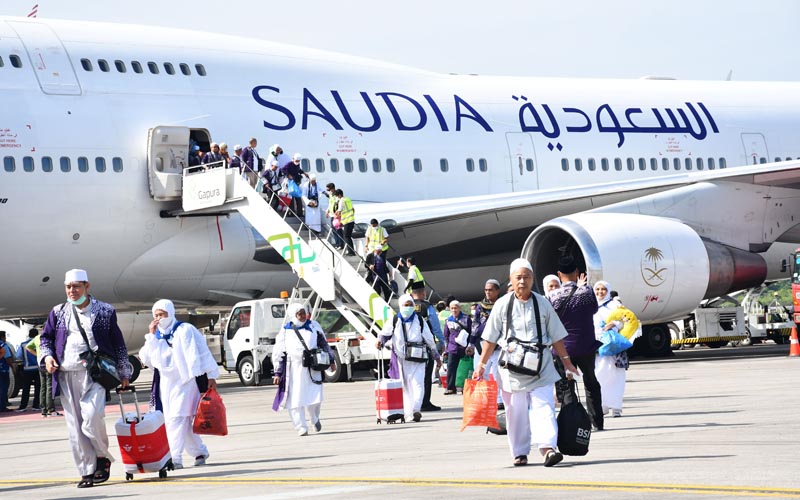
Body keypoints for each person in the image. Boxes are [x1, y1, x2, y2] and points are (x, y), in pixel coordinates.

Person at [474, 258, 576, 467]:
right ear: (511, 279)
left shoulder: (543, 302)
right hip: (511, 370)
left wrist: (567, 363)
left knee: (544, 406)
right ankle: (520, 452)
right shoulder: (502, 304)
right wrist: (481, 365)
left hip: (541, 366)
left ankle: (548, 448)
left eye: (526, 277)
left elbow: (556, 336)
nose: (522, 281)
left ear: (533, 279)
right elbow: (490, 339)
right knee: (516, 411)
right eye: (518, 277)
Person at [40, 269, 130, 488]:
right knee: (76, 427)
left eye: (76, 286)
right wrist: (48, 357)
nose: (72, 291)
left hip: (95, 374)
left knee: (92, 418)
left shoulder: (105, 311)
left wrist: (124, 372)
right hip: (66, 374)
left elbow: (117, 343)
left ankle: (102, 456)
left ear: (87, 286)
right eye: (68, 287)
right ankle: (87, 471)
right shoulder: (58, 311)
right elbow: (46, 339)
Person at [138, 299, 219, 469]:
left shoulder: (185, 330)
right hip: (166, 384)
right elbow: (146, 357)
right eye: (157, 315)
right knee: (178, 419)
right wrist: (151, 336)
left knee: (177, 418)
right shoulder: (156, 335)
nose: (160, 318)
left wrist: (211, 375)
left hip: (185, 381)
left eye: (163, 314)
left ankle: (174, 458)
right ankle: (200, 452)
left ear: (171, 313)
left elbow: (203, 352)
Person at [550, 256, 604, 431]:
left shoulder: (552, 296)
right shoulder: (587, 292)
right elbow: (594, 309)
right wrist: (582, 287)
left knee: (566, 386)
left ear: (559, 274)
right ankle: (596, 422)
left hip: (562, 348)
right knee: (590, 382)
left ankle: (571, 421)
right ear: (576, 273)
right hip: (585, 346)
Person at [272, 303, 336, 436]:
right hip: (294, 369)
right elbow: (279, 353)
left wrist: (331, 360)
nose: (302, 316)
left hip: (313, 367)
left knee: (315, 396)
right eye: (299, 314)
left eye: (303, 313)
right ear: (293, 315)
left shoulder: (314, 326)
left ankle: (314, 418)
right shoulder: (285, 331)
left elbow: (324, 344)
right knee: (295, 399)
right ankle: (301, 427)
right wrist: (278, 373)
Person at [377, 294, 441, 422]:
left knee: (418, 384)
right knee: (404, 386)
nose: (408, 307)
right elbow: (384, 334)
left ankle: (416, 410)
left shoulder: (420, 320)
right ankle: (408, 412)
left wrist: (435, 355)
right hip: (401, 359)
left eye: (411, 305)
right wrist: (379, 342)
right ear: (401, 306)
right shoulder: (395, 320)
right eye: (406, 305)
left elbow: (429, 338)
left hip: (418, 358)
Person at [593, 281, 630, 418]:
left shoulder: (615, 305)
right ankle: (603, 405)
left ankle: (616, 406)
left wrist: (613, 323)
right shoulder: (591, 305)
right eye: (597, 289)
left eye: (603, 289)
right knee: (600, 375)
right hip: (598, 345)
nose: (600, 292)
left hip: (614, 346)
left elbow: (625, 319)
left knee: (616, 376)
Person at [410, 282, 444, 411]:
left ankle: (413, 402)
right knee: (426, 374)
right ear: (423, 292)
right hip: (425, 346)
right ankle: (425, 402)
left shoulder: (407, 306)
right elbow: (435, 327)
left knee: (412, 375)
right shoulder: (427, 307)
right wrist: (442, 341)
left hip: (410, 347)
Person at [471, 279, 504, 408]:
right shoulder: (480, 306)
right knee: (480, 373)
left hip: (498, 346)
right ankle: (482, 399)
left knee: (497, 374)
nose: (488, 292)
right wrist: (471, 343)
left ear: (497, 291)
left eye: (491, 290)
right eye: (486, 290)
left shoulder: (501, 305)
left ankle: (499, 400)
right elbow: (475, 324)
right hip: (481, 344)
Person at [443, 300, 472, 395]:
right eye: (452, 308)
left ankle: (465, 386)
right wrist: (446, 349)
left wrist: (470, 346)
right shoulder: (448, 320)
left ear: (459, 308)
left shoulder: (466, 318)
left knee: (465, 367)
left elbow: (471, 332)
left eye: (456, 308)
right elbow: (446, 335)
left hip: (464, 347)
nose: (454, 310)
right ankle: (451, 387)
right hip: (452, 347)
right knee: (451, 367)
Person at [26, 330, 56, 416]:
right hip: (48, 361)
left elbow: (28, 347)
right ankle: (50, 408)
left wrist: (37, 354)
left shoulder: (36, 338)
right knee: (50, 385)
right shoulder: (50, 336)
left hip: (40, 362)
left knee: (43, 386)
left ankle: (43, 408)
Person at [16, 329, 41, 411]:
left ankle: (23, 406)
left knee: (26, 388)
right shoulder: (38, 343)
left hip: (27, 369)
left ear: (29, 335)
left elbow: (18, 356)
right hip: (38, 368)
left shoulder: (23, 345)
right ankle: (36, 405)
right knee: (38, 388)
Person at [334, 189, 356, 255]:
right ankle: (351, 251)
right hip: (351, 220)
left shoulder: (341, 201)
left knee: (346, 236)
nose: (337, 197)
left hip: (347, 221)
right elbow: (353, 209)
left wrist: (336, 216)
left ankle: (351, 252)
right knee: (348, 236)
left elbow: (339, 211)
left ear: (339, 195)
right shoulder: (348, 199)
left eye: (337, 196)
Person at [0, 331, 12, 412]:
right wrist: (12, 367)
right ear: (2, 337)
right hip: (3, 369)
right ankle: (2, 406)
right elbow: (7, 358)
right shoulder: (4, 345)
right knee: (3, 388)